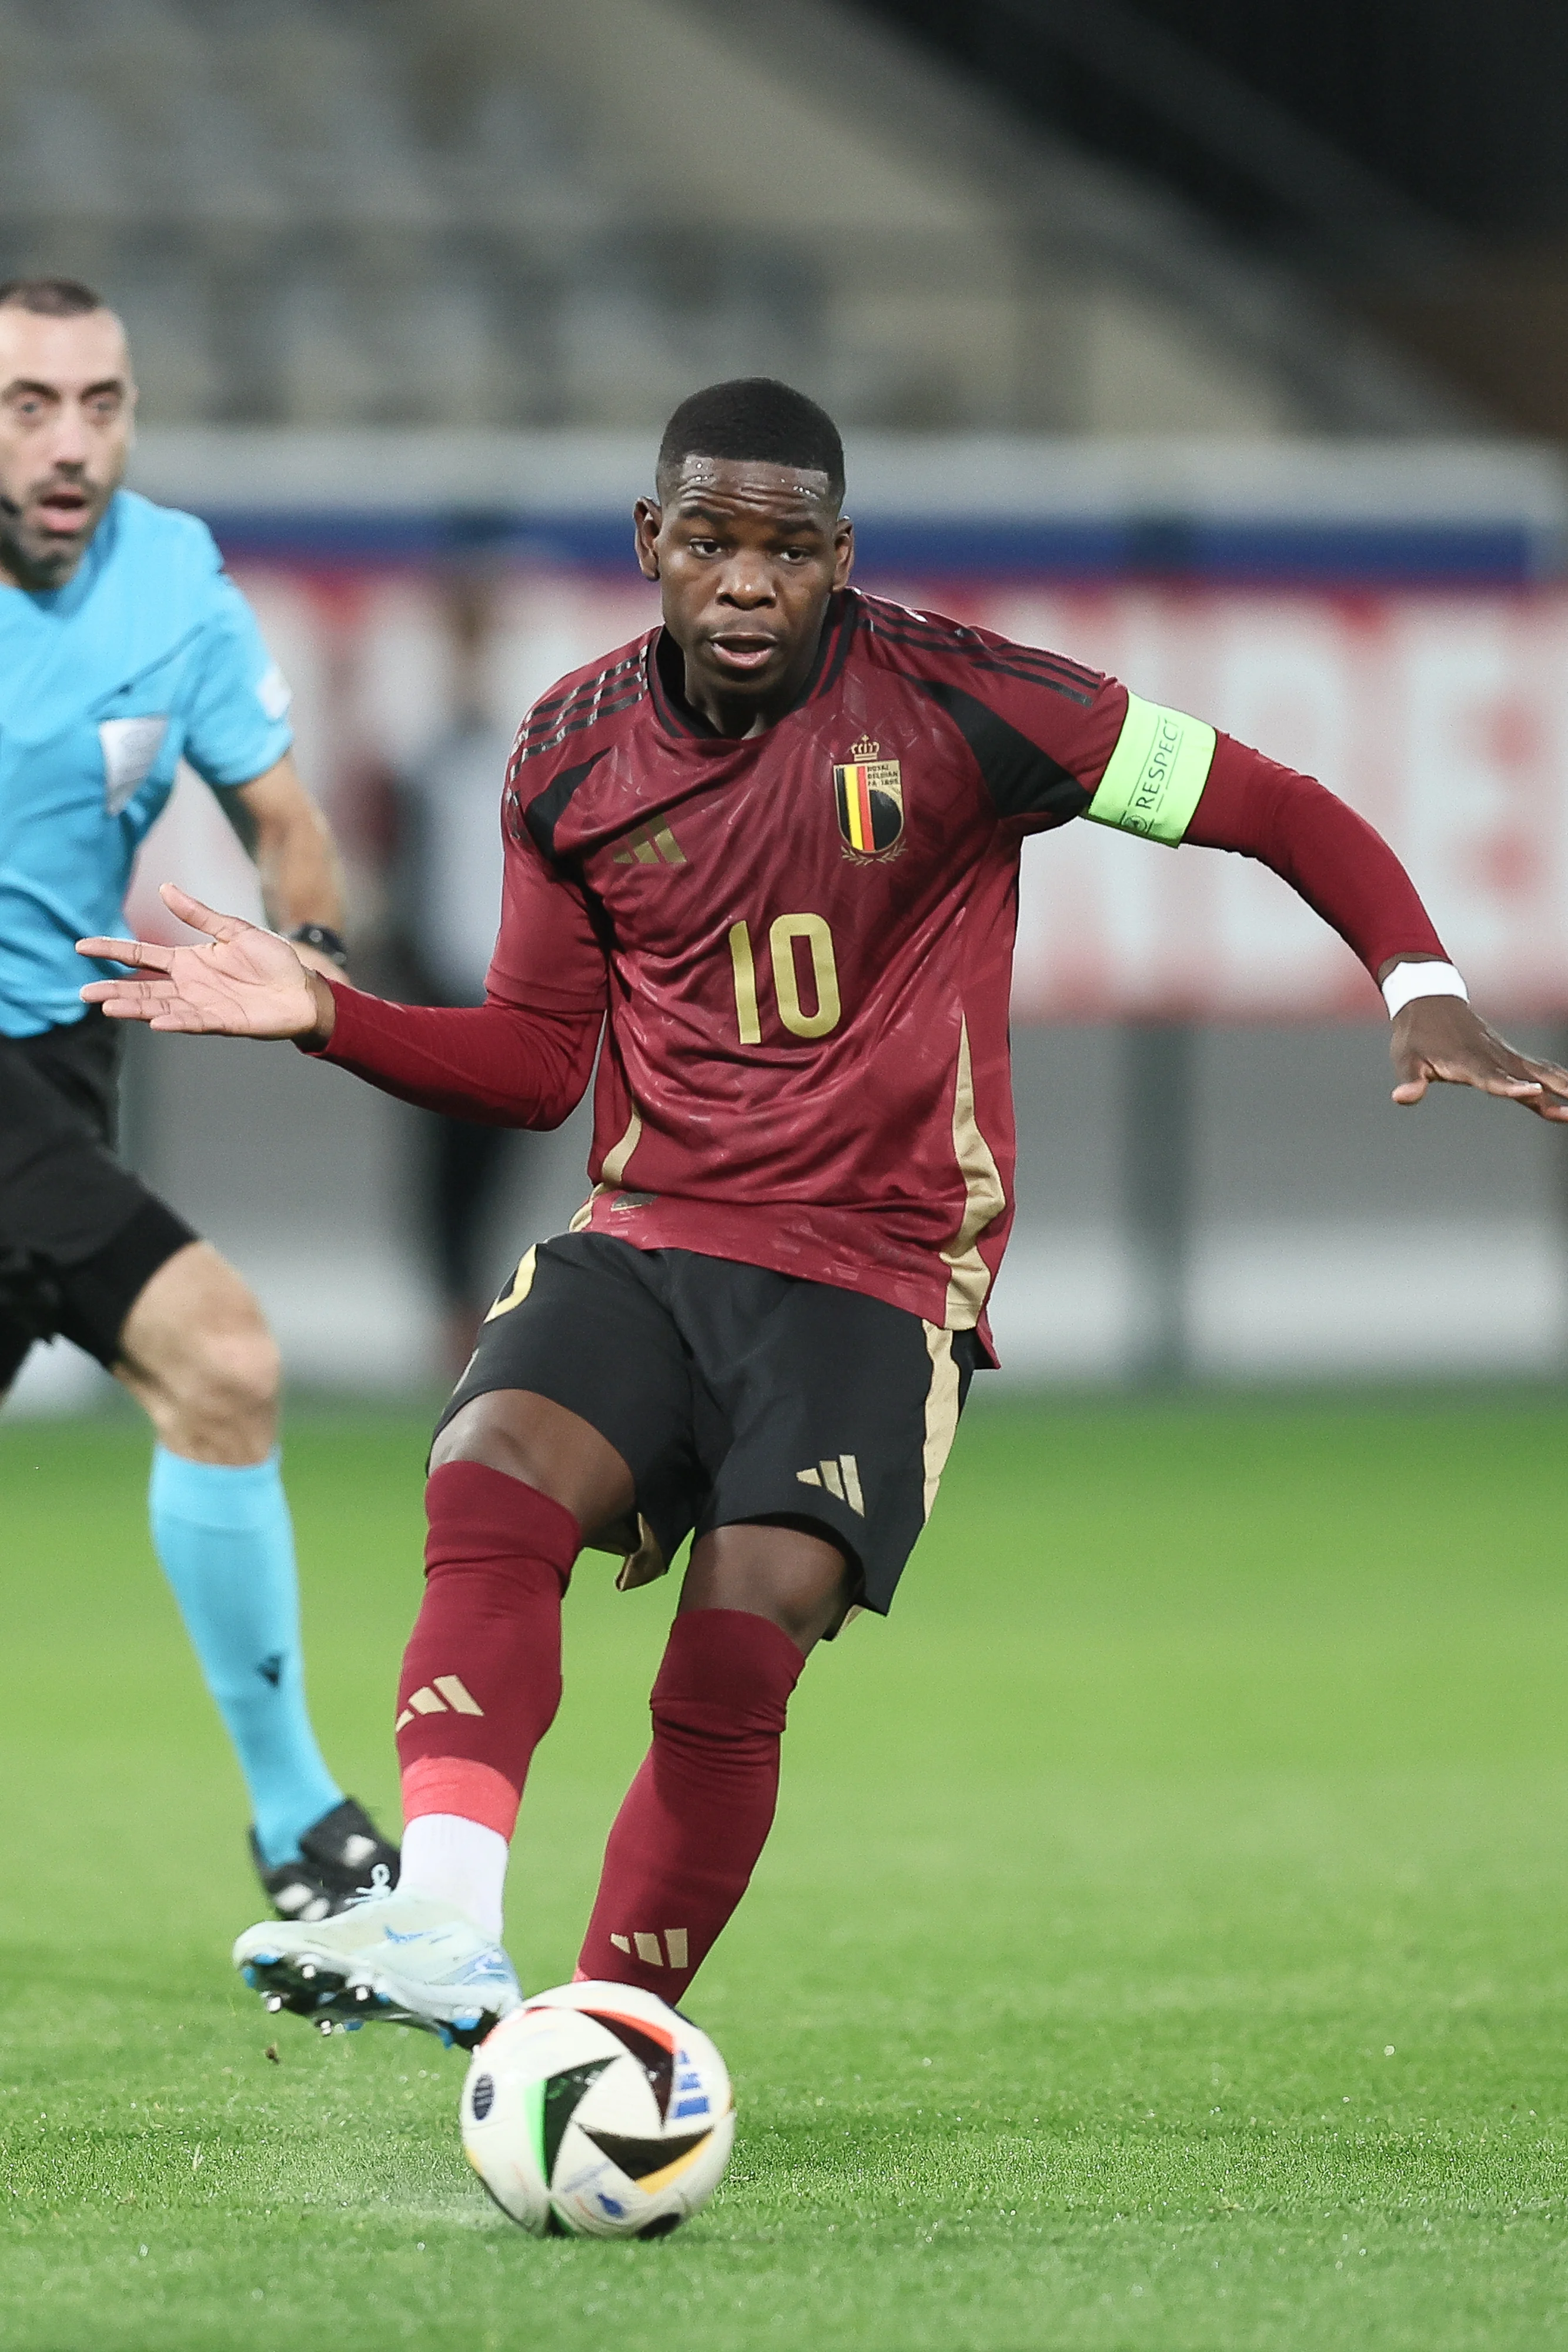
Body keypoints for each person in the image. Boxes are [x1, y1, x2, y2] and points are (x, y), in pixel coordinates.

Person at [82, 377, 1568, 2052]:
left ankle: (609, 2040)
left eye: (785, 551)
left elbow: (1273, 802)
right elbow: (528, 1064)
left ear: (839, 560)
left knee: (742, 1638)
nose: (742, 582)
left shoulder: (973, 705)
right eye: (708, 540)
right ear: (652, 543)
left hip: (878, 1271)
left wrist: (1419, 981)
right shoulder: (567, 763)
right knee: (490, 1471)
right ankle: (442, 1915)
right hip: (650, 1230)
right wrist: (323, 1010)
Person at [0, 276, 397, 1921]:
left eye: (102, 403)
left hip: (56, 1086)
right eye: (29, 405)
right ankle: (305, 1826)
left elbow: (294, 825)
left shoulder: (177, 583)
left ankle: (297, 1828)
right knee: (221, 1351)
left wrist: (301, 954)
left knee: (219, 1391)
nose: (70, 442)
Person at [390, 556, 535, 1376]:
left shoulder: (515, 756)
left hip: (505, 997)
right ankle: (459, 1320)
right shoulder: (431, 759)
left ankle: (476, 1316)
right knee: (445, 1177)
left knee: (481, 1170)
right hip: (450, 996)